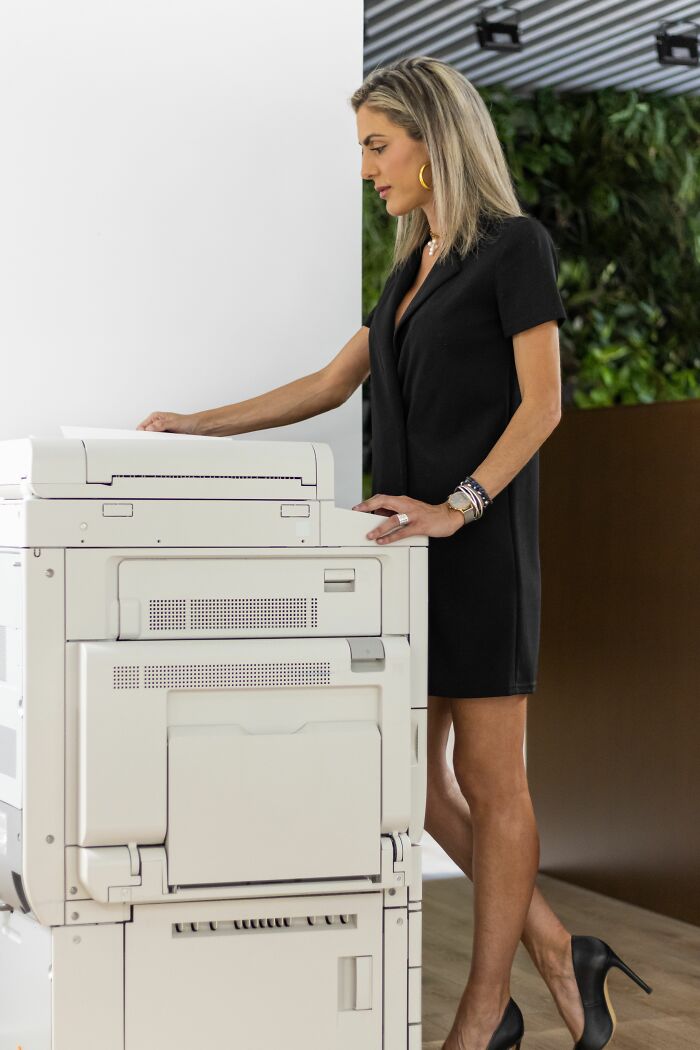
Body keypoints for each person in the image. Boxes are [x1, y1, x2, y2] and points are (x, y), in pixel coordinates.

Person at [137, 54, 652, 1050]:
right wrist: (197, 426)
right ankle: (556, 946)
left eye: (378, 146)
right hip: (403, 558)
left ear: (433, 141)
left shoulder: (515, 249)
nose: (368, 168)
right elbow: (329, 385)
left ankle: (480, 1009)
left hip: (479, 546)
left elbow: (543, 404)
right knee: (408, 784)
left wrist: (458, 505)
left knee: (495, 782)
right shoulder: (409, 271)